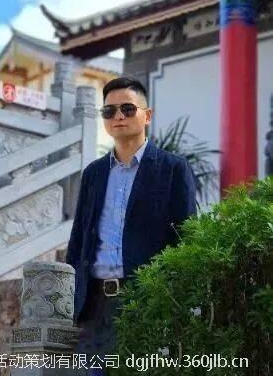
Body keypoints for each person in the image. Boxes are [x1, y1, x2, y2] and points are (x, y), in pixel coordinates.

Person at [66, 76, 197, 373]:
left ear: (147, 115)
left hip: (145, 302)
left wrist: (172, 302)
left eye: (127, 108)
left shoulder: (173, 169)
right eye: (109, 111)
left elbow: (185, 241)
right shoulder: (93, 174)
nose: (118, 116)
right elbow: (78, 242)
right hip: (94, 307)